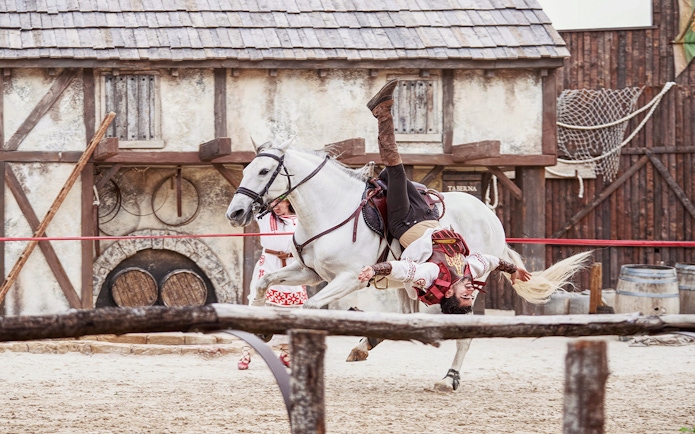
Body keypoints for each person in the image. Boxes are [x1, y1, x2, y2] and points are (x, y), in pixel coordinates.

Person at [358, 79, 532, 314]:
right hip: (429, 216)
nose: (471, 293)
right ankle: (381, 125)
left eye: (465, 297)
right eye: (472, 298)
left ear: (449, 292)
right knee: (391, 176)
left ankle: (382, 112)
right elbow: (493, 261)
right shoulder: (469, 269)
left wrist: (374, 270)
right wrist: (513, 270)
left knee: (395, 170)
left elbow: (402, 270)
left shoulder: (431, 275)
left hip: (405, 223)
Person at [238, 198, 307, 370]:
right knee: (257, 310)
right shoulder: (264, 216)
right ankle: (246, 353)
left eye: (280, 203)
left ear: (288, 202)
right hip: (268, 264)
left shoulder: (300, 220)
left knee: (291, 312)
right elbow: (255, 198)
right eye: (273, 204)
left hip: (291, 266)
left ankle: (286, 353)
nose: (276, 207)